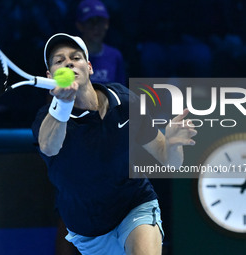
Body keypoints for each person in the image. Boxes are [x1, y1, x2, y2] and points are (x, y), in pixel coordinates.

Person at [32, 33, 197, 254]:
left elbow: (169, 160)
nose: (69, 62)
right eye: (59, 61)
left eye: (75, 57)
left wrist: (173, 145)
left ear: (89, 67)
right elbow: (50, 147)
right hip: (89, 232)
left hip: (134, 206)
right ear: (50, 76)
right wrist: (63, 103)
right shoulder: (48, 121)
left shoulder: (125, 102)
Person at [75, 0, 126, 85]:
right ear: (80, 26)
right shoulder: (70, 57)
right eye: (90, 22)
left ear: (107, 24)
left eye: (100, 21)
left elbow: (121, 92)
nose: (96, 28)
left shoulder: (115, 56)